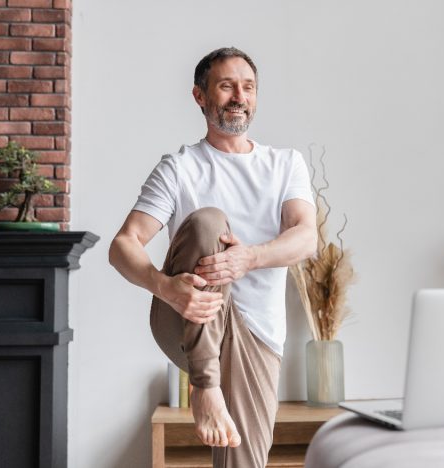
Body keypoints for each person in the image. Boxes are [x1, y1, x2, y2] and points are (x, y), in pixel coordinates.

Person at [109, 47, 317, 467]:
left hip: (257, 330)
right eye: (226, 86)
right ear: (200, 97)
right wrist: (165, 286)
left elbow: (306, 237)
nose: (239, 96)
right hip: (185, 316)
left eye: (248, 87)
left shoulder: (285, 164)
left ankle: (210, 389)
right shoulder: (180, 168)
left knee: (244, 461)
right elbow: (123, 244)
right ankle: (205, 386)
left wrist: (249, 259)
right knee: (208, 222)